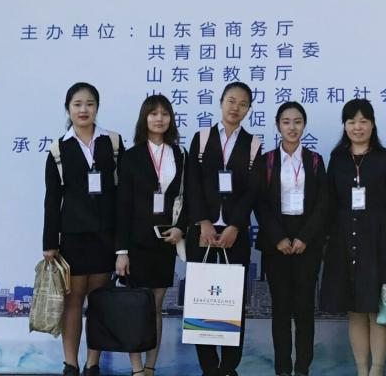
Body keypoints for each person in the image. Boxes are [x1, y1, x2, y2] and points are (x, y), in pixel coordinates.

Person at [320, 98, 386, 376]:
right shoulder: (337, 159)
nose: (357, 127)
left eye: (363, 121)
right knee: (355, 310)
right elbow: (328, 203)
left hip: (378, 240)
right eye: (351, 122)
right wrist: (326, 240)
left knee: (377, 309)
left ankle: (377, 370)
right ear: (344, 126)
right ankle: (362, 370)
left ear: (372, 124)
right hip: (344, 241)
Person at [42, 82, 124, 376]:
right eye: (77, 104)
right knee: (73, 300)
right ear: (68, 109)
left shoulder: (112, 143)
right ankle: (70, 364)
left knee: (99, 302)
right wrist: (50, 242)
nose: (83, 109)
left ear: (97, 108)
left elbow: (123, 194)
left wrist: (122, 243)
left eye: (90, 103)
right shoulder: (58, 149)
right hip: (73, 236)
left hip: (106, 234)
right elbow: (52, 199)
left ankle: (93, 363)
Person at [186, 81, 264, 376]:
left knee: (233, 302)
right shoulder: (202, 138)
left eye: (243, 104)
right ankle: (209, 368)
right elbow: (192, 183)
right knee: (202, 300)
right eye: (231, 101)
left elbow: (253, 191)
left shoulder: (253, 144)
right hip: (202, 232)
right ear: (221, 102)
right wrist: (203, 221)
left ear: (248, 109)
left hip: (235, 235)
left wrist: (235, 226)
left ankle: (229, 367)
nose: (235, 108)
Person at [115, 94, 188, 376]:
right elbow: (122, 206)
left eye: (165, 114)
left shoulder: (180, 155)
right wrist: (121, 251)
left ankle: (150, 367)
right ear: (144, 118)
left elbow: (188, 198)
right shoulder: (131, 156)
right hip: (136, 244)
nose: (159, 118)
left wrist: (181, 228)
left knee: (156, 307)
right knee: (137, 307)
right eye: (153, 113)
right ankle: (136, 369)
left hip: (165, 242)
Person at [255, 101, 329, 376]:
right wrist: (278, 238)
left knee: (305, 309)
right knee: (281, 310)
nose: (292, 127)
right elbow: (260, 203)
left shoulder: (315, 160)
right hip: (276, 241)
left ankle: (302, 368)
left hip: (306, 242)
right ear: (278, 126)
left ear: (304, 125)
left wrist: (305, 237)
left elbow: (323, 204)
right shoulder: (267, 161)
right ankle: (282, 369)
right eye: (286, 122)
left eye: (297, 122)